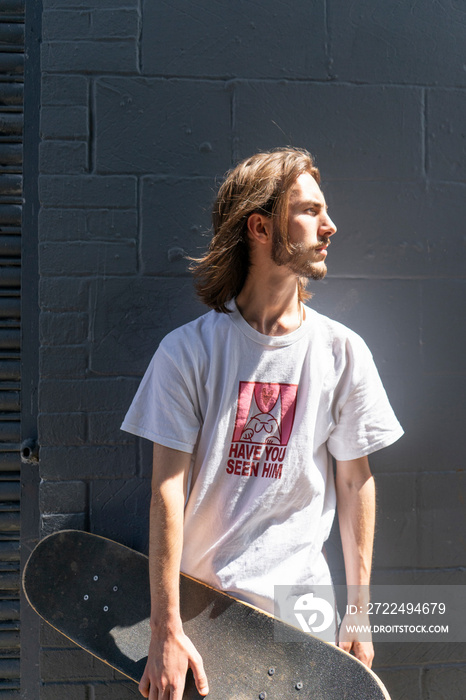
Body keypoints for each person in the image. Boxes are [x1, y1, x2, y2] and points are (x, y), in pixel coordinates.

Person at [121, 147, 403, 700]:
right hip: (208, 621)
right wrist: (165, 629)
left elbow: (354, 482)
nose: (330, 226)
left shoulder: (342, 352)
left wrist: (361, 613)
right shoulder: (188, 353)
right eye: (309, 211)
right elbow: (166, 491)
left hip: (306, 619)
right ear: (260, 227)